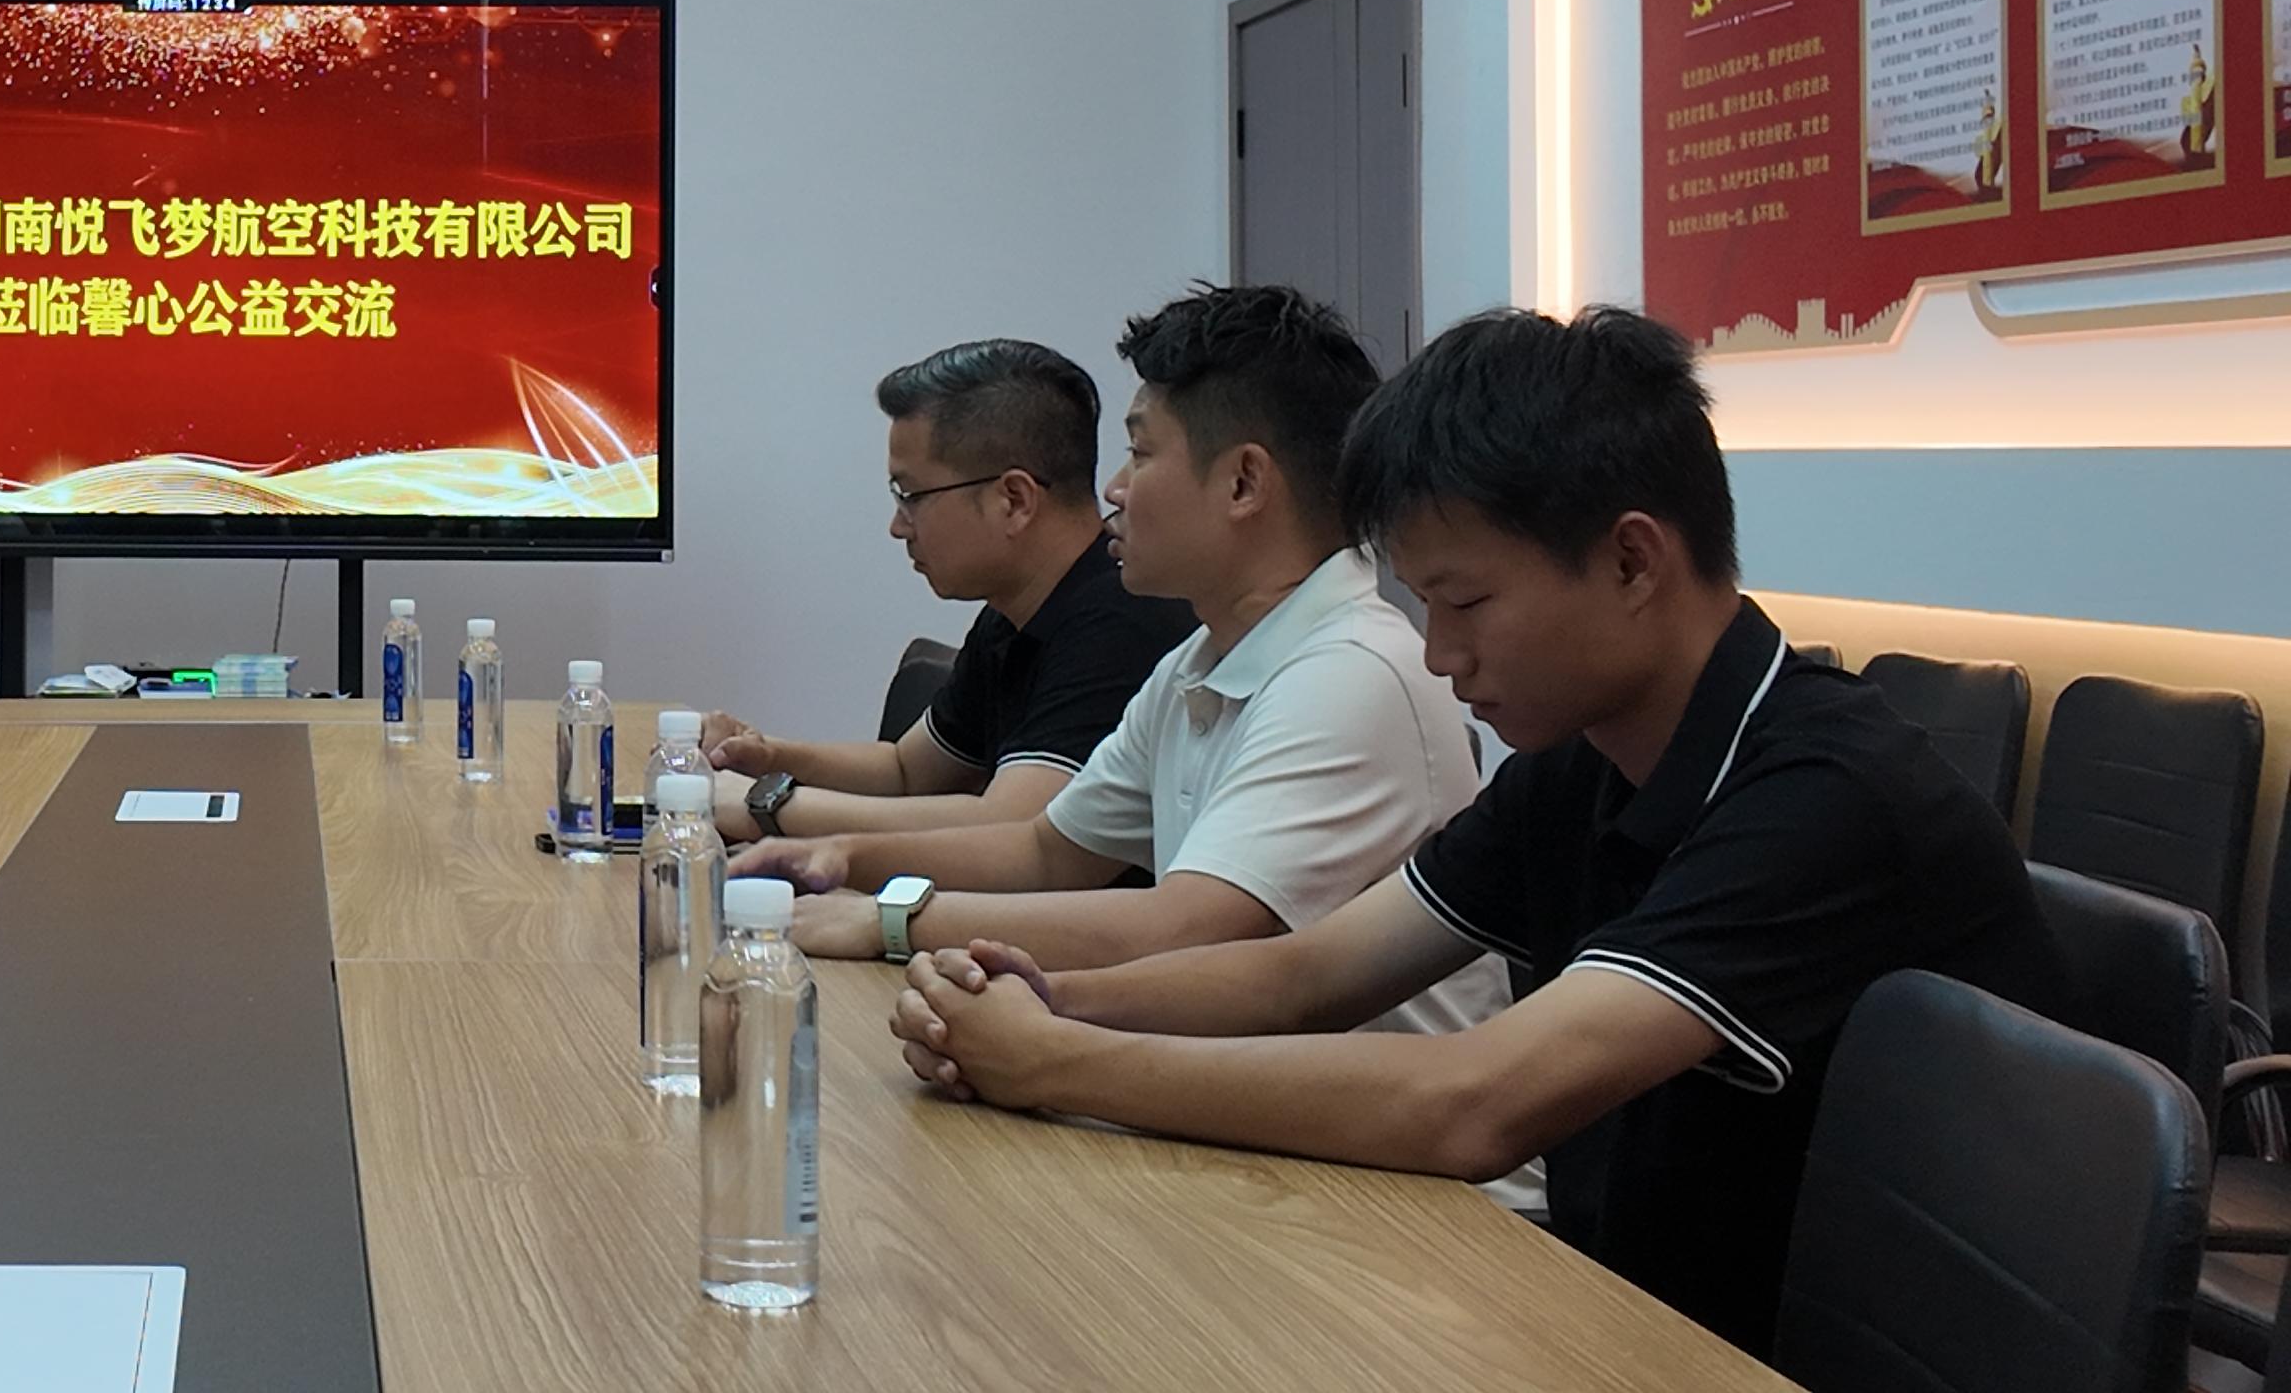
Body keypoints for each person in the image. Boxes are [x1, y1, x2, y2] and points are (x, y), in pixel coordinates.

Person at [884, 306, 2070, 1354]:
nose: (1441, 654)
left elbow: (1475, 1103)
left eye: (1466, 603)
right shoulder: (1588, 755)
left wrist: (1060, 1063)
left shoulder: (1826, 794)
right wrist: (1046, 997)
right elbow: (1310, 974)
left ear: (1632, 560)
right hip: (1620, 1316)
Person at [740, 288, 1504, 1056]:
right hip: (1221, 1086)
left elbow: (1187, 926)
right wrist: (845, 856)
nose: (1115, 489)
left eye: (1141, 453)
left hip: (1345, 1128)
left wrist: (890, 919)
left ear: (1243, 484)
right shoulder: (1200, 662)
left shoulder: (1350, 674)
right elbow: (1047, 851)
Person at [699, 339, 1192, 846]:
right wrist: (767, 755)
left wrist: (768, 806)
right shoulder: (1015, 610)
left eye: (911, 496)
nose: (897, 526)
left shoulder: (1121, 618)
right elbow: (906, 772)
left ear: (1014, 500)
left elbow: (1011, 828)